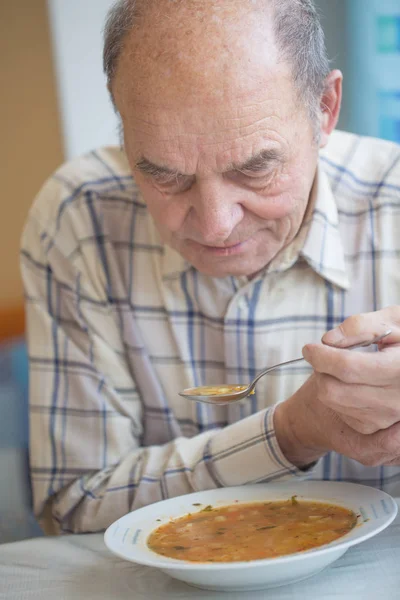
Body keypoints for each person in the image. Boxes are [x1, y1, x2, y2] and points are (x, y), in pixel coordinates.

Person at [21, 0, 400, 535]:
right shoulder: (81, 220)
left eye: (256, 169)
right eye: (165, 175)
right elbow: (73, 508)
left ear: (325, 108)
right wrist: (290, 432)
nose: (216, 225)